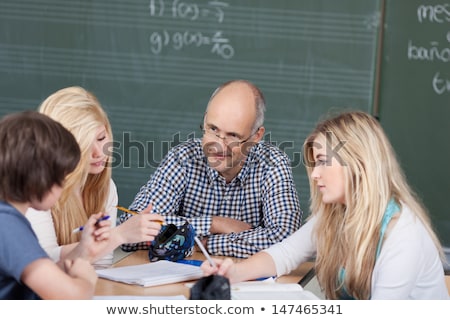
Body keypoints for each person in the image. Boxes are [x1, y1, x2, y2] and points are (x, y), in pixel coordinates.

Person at [201, 110, 449, 299]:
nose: (315, 174)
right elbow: (285, 254)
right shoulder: (336, 215)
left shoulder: (402, 233)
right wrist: (232, 273)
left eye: (322, 161)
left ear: (357, 163)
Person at [120, 79, 302, 258]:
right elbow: (132, 229)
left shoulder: (272, 163)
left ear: (256, 136)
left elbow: (286, 239)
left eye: (232, 136)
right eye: (213, 129)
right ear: (205, 120)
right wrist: (213, 224)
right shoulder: (182, 159)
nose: (218, 146)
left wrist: (204, 243)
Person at [26, 86, 163, 267]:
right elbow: (43, 264)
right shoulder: (34, 190)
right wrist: (119, 235)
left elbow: (101, 264)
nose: (98, 153)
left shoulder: (105, 188)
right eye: (84, 144)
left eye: (100, 138)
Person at [0, 111, 109, 299]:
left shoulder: (9, 219)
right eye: (63, 178)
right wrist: (86, 280)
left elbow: (32, 280)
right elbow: (69, 298)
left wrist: (83, 251)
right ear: (40, 178)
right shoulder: (7, 225)